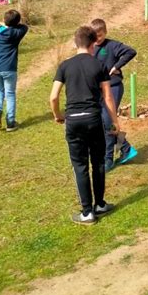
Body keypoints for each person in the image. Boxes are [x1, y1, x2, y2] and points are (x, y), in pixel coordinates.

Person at [50, 26, 119, 225]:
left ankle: (87, 212)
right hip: (93, 119)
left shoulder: (64, 65)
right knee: (97, 162)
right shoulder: (99, 65)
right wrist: (115, 121)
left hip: (73, 120)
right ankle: (100, 204)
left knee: (80, 165)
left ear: (75, 43)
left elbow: (53, 96)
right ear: (94, 43)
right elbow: (107, 96)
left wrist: (58, 116)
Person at [90, 18, 138, 171]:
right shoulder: (90, 47)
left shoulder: (112, 45)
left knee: (108, 120)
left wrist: (117, 66)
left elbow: (131, 51)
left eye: (100, 35)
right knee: (104, 122)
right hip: (98, 90)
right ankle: (126, 148)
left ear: (105, 32)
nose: (98, 39)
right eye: (95, 36)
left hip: (114, 87)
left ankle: (108, 158)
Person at [0, 9, 28, 131]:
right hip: (9, 69)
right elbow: (24, 27)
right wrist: (11, 25)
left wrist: (2, 25)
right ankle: (10, 123)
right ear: (17, 22)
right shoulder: (16, 33)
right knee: (10, 94)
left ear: (4, 19)